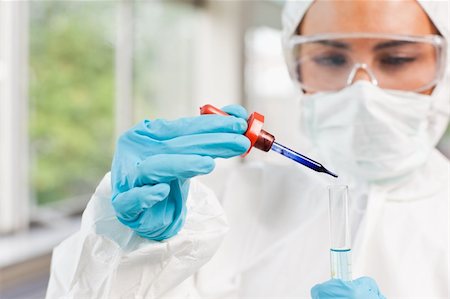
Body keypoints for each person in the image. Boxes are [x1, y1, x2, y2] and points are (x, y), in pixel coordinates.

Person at [46, 0, 449, 298]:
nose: (362, 92)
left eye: (397, 58)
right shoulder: (216, 205)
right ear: (297, 67)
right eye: (329, 57)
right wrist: (128, 248)